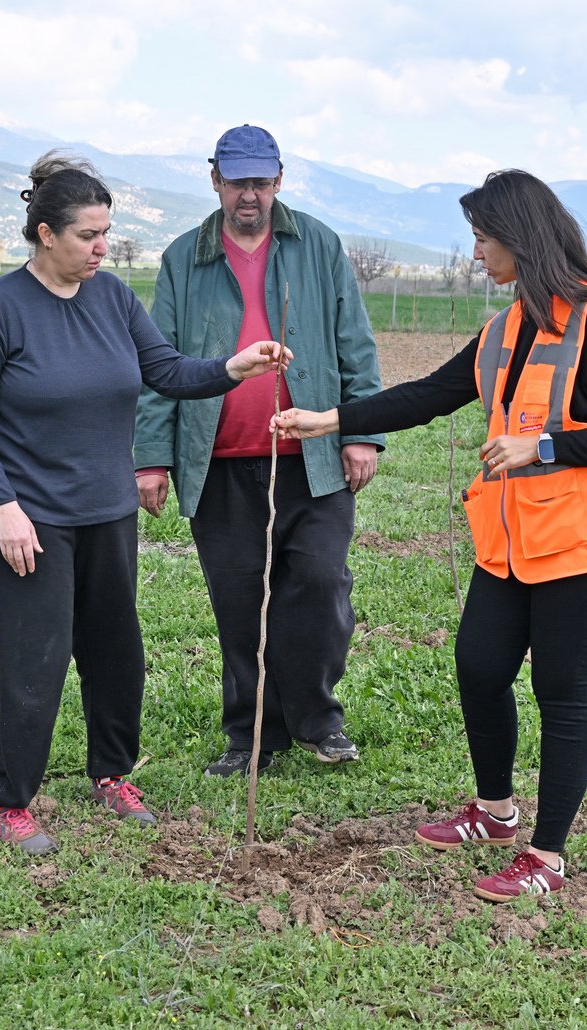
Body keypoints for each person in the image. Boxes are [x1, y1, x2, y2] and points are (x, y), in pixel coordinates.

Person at [273, 169, 587, 902]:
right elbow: (430, 396)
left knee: (562, 690)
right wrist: (326, 419)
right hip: (513, 540)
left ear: (520, 237)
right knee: (481, 667)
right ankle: (495, 813)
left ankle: (546, 858)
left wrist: (541, 447)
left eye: (483, 239)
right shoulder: (508, 326)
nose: (475, 254)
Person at [0, 152, 291, 855]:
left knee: (117, 655)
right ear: (46, 234)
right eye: (87, 236)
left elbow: (162, 369)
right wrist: (1, 504)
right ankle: (6, 798)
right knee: (36, 658)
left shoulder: (111, 300)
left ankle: (112, 773)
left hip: (107, 509)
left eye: (107, 233)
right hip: (31, 518)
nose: (103, 247)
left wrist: (234, 366)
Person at [134, 125, 385, 778]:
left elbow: (354, 344)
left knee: (322, 585)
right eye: (238, 180)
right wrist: (152, 457)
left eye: (261, 181)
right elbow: (160, 365)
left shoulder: (319, 246)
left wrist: (360, 431)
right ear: (215, 178)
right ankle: (251, 737)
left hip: (313, 457)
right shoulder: (181, 259)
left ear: (279, 180)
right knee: (241, 605)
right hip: (219, 465)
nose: (250, 194)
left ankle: (317, 717)